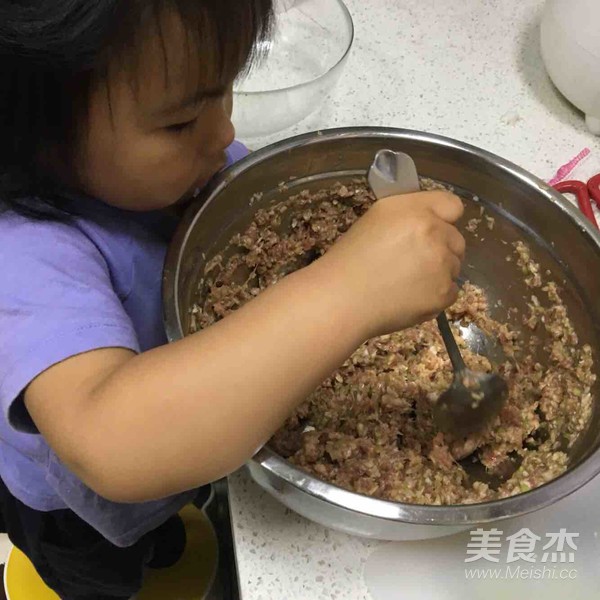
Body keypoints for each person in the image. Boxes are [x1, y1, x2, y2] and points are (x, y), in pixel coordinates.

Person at [0, 1, 466, 598]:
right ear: (30, 134)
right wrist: (349, 289)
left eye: (223, 93)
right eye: (179, 122)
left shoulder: (173, 170)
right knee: (106, 572)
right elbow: (109, 442)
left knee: (163, 529)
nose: (225, 133)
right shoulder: (23, 254)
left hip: (186, 454)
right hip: (74, 512)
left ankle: (163, 539)